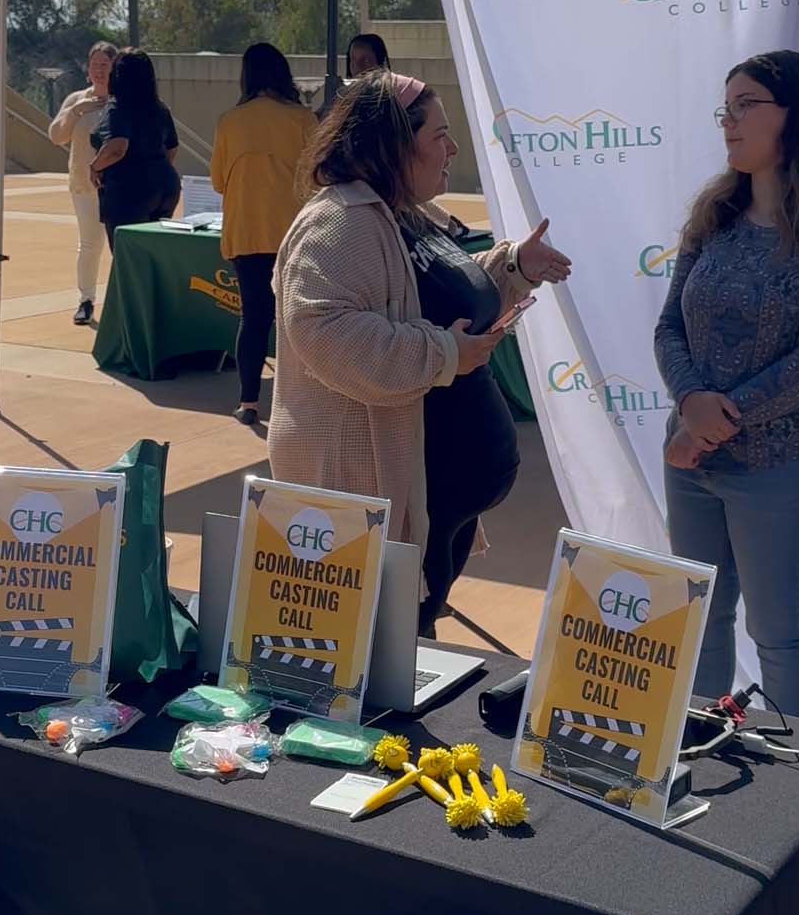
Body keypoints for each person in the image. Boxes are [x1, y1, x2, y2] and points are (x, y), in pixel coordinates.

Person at [271, 72, 571, 630]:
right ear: (393, 144)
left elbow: (437, 293)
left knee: (409, 630)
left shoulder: (402, 211)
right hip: (365, 491)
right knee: (379, 639)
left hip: (432, 494)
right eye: (439, 135)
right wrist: (444, 354)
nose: (452, 149)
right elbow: (321, 329)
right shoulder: (337, 224)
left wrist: (512, 266)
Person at [654, 49, 799, 722]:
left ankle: (790, 772)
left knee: (776, 633)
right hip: (691, 465)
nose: (729, 121)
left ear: (795, 116)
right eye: (726, 108)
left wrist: (711, 423)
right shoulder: (713, 215)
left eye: (746, 105)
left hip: (778, 468)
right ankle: (698, 748)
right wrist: (689, 404)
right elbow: (669, 326)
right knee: (701, 621)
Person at [210, 42, 316, 427]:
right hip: (293, 235)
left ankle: (249, 402)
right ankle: (299, 401)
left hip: (246, 231)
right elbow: (318, 177)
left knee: (253, 318)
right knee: (295, 320)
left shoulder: (229, 121)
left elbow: (218, 181)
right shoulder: (303, 119)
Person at [48, 41, 115, 325]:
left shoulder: (122, 100)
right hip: (84, 186)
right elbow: (56, 136)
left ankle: (121, 304)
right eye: (95, 65)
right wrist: (76, 111)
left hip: (117, 187)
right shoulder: (77, 100)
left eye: (105, 65)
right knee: (89, 244)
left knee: (120, 247)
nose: (99, 70)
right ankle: (86, 300)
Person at [89, 49, 181, 250]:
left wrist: (95, 167)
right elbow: (172, 148)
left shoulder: (118, 107)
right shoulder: (160, 108)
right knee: (154, 251)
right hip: (165, 186)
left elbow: (117, 147)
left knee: (127, 256)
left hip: (129, 191)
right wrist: (155, 168)